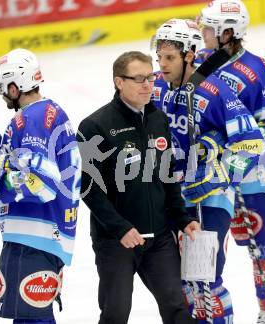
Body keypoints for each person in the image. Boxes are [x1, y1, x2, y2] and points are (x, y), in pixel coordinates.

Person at [152, 18, 265, 324]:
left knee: (206, 279)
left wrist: (222, 175)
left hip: (211, 200)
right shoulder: (154, 88)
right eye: (159, 57)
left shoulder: (215, 91)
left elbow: (253, 144)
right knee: (182, 285)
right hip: (172, 198)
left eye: (170, 58)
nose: (162, 64)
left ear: (189, 54)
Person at [77, 51, 200, 324]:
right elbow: (88, 188)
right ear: (119, 82)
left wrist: (182, 219)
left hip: (159, 237)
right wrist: (120, 228)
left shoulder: (158, 120)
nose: (149, 84)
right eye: (139, 79)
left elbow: (167, 176)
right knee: (115, 314)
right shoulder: (95, 126)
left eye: (151, 76)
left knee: (177, 310)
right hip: (117, 242)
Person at [0, 48, 81, 324]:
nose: (3, 95)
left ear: (15, 86)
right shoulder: (44, 113)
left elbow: (41, 184)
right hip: (41, 235)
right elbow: (18, 163)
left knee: (31, 320)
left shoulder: (32, 119)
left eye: (4, 88)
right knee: (31, 318)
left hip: (34, 237)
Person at [197, 1, 265, 323]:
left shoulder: (256, 69)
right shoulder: (195, 63)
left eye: (208, 26)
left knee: (264, 242)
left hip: (250, 171)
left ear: (227, 33)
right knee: (207, 252)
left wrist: (240, 147)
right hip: (209, 174)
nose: (202, 31)